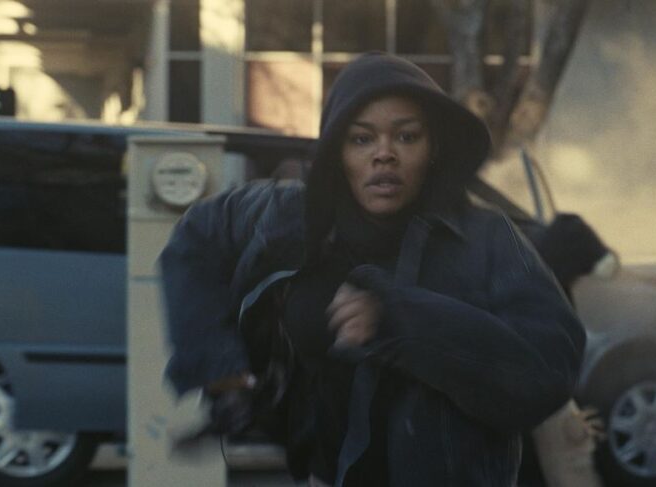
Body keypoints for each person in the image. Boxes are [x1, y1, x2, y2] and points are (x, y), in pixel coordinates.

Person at [160, 52, 585, 486]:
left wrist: (401, 320)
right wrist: (219, 366)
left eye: (406, 136)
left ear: (433, 148)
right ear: (336, 152)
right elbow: (196, 237)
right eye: (362, 139)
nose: (384, 154)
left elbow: (548, 372)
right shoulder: (290, 215)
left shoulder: (488, 238)